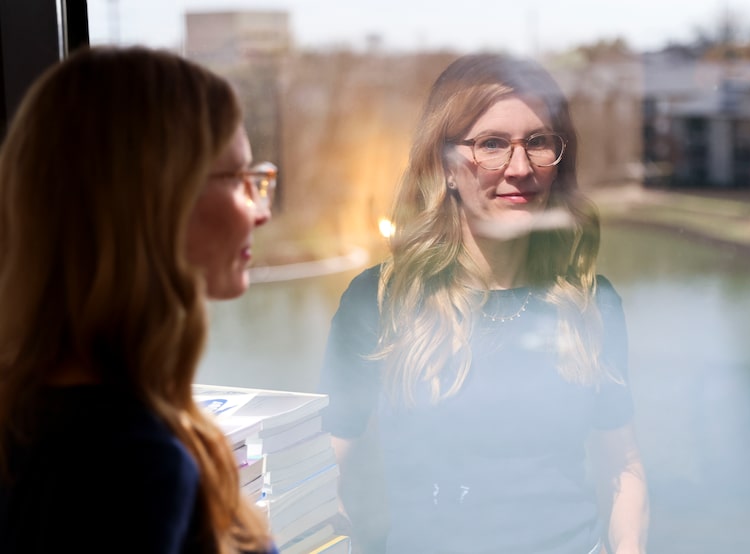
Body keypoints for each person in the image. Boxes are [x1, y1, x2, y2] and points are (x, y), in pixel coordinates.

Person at [318, 53, 649, 554]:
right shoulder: (379, 301)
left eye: (537, 143)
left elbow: (621, 465)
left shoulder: (591, 303)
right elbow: (324, 470)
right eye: (491, 145)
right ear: (445, 167)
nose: (519, 168)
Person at [0, 46, 279, 553]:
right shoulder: (130, 464)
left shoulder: (28, 409)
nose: (259, 212)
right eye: (240, 181)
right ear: (156, 204)